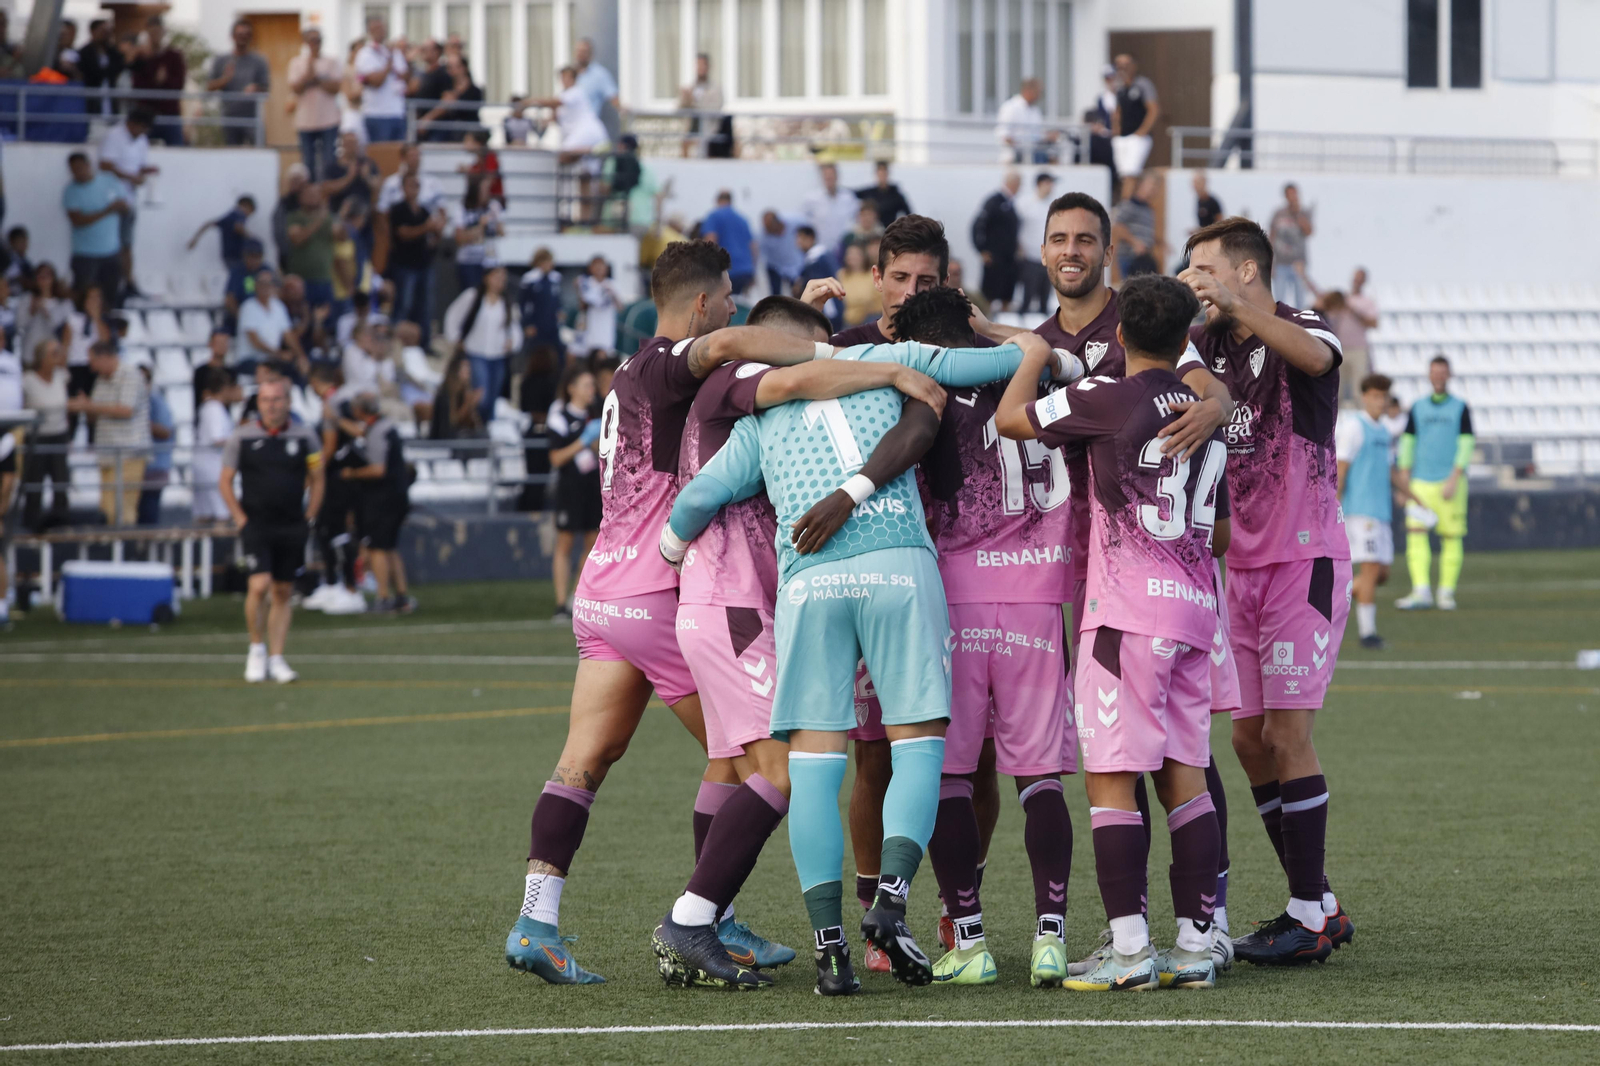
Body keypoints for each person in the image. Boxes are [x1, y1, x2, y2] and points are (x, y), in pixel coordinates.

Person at [656, 292, 1056, 994]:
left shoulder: (760, 411)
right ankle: (893, 900)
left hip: (810, 584)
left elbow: (696, 499)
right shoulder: (888, 358)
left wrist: (668, 549)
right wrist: (1002, 333)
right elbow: (1013, 358)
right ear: (824, 337)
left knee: (813, 770)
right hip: (899, 564)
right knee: (917, 746)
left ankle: (832, 953)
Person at [504, 240, 854, 986]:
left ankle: (536, 920)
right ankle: (707, 920)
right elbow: (729, 344)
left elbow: (738, 349)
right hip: (661, 592)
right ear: (698, 305)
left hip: (601, 594)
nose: (729, 307)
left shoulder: (627, 372)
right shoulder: (670, 363)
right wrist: (825, 344)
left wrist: (795, 312)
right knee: (766, 763)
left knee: (584, 762)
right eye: (725, 296)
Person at [1016, 192, 1237, 978]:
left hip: (1124, 614)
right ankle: (1197, 944)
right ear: (1185, 335)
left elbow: (1013, 421)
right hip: (1194, 610)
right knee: (1186, 772)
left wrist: (1031, 357)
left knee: (1110, 775)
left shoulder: (1106, 396)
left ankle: (1133, 949)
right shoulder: (1199, 405)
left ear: (1122, 331)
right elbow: (1224, 510)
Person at [1179, 215, 1355, 966]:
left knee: (1288, 735)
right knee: (1248, 739)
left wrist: (1236, 305)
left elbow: (1315, 356)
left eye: (1202, 271)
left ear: (1244, 272)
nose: (1193, 284)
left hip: (1302, 560)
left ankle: (1307, 912)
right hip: (1236, 570)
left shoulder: (1299, 324)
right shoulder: (1209, 347)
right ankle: (1317, 903)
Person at [220, 376, 324, 682]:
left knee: (282, 590)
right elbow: (225, 480)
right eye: (265, 400)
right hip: (256, 524)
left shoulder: (305, 436)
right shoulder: (242, 436)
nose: (271, 405)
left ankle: (277, 657)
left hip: (292, 524)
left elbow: (318, 477)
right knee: (259, 585)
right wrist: (239, 517)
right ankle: (256, 649)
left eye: (277, 399)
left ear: (288, 402)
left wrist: (310, 515)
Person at [1395, 355, 1473, 612]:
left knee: (1451, 537)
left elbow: (1466, 444)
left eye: (1442, 372)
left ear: (1449, 375)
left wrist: (1455, 477)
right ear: (1429, 375)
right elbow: (1408, 442)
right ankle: (1421, 591)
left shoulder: (1460, 407)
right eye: (1434, 372)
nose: (1438, 376)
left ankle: (1446, 593)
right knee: (1416, 535)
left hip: (1450, 484)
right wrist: (1405, 477)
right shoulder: (1417, 407)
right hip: (1420, 484)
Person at [1337, 374, 1397, 649]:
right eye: (1374, 396)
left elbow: (1391, 471)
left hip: (1381, 511)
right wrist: (1334, 505)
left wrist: (1415, 498)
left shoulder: (1384, 431)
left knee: (1382, 572)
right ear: (1365, 397)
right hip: (1360, 511)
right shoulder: (1354, 427)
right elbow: (1342, 469)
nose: (1379, 401)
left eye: (1383, 396)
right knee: (1371, 569)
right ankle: (1367, 633)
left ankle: (1335, 599)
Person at [341, 393, 414, 613]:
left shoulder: (377, 432)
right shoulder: (386, 426)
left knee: (377, 548)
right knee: (390, 547)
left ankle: (383, 597)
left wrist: (351, 473)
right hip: (398, 495)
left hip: (383, 498)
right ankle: (402, 597)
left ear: (361, 411)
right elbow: (362, 431)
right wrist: (337, 420)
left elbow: (377, 469)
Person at [70, 341, 149, 527]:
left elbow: (126, 410)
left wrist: (89, 406)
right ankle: (112, 552)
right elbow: (96, 413)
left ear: (104, 357)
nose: (91, 367)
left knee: (122, 509)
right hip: (107, 453)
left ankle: (125, 549)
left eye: (93, 361)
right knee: (107, 509)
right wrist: (86, 407)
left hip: (129, 453)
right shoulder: (101, 379)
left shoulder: (129, 374)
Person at [545, 362, 603, 617]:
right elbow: (556, 458)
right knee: (565, 542)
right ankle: (559, 604)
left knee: (593, 543)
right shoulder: (559, 417)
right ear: (572, 389)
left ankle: (576, 598)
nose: (592, 389)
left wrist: (595, 442)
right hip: (570, 489)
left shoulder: (598, 413)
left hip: (594, 486)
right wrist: (582, 441)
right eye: (586, 385)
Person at [443, 263, 519, 425]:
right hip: (476, 352)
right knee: (481, 396)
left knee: (493, 397)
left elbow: (514, 327)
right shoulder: (473, 296)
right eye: (497, 276)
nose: (500, 280)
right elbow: (452, 315)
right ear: (487, 278)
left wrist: (513, 343)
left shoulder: (506, 301)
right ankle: (474, 424)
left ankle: (487, 429)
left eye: (503, 277)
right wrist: (456, 338)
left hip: (497, 356)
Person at [97, 109, 157, 300]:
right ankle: (108, 285)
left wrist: (146, 172)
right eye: (142, 127)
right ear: (131, 122)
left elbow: (138, 166)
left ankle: (128, 283)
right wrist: (130, 176)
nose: (143, 132)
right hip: (112, 199)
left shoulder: (141, 141)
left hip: (129, 200)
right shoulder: (114, 136)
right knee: (109, 245)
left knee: (127, 245)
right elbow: (105, 165)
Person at [387, 173, 448, 346]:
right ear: (403, 188)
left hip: (424, 264)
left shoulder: (424, 211)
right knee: (403, 305)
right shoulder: (398, 209)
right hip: (404, 266)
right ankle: (396, 345)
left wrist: (438, 229)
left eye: (416, 186)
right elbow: (403, 233)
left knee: (426, 307)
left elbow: (432, 238)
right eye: (410, 185)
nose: (413, 189)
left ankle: (424, 344)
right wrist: (425, 227)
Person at [63, 152, 127, 306]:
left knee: (110, 296)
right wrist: (107, 210)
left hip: (111, 252)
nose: (77, 173)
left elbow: (124, 206)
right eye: (73, 170)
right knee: (83, 298)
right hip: (85, 255)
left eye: (79, 168)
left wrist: (120, 207)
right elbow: (77, 221)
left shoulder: (109, 181)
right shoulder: (70, 191)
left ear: (88, 165)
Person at [21, 339, 70, 531]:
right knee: (34, 482)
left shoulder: (61, 376)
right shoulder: (28, 380)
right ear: (42, 358)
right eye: (53, 353)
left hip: (59, 434)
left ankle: (61, 522)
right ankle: (31, 524)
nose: (58, 356)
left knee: (61, 481)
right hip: (36, 437)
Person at [288, 26, 344, 181]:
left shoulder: (332, 61)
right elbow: (296, 88)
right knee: (308, 163)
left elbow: (336, 88)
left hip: (328, 120)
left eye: (318, 40)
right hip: (305, 121)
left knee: (330, 162)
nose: (315, 44)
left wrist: (316, 79)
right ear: (305, 42)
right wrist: (310, 75)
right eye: (312, 40)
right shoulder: (296, 63)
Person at [206, 18, 270, 146]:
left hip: (252, 119)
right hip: (229, 118)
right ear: (232, 36)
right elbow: (209, 87)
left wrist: (255, 88)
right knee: (232, 157)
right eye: (240, 34)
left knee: (258, 154)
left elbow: (266, 88)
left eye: (247, 35)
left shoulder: (259, 61)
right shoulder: (221, 60)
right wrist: (224, 79)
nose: (243, 38)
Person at [127, 17, 187, 146]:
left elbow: (179, 85)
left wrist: (165, 81)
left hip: (169, 114)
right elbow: (136, 85)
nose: (155, 36)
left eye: (158, 32)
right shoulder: (141, 57)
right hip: (145, 115)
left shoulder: (174, 56)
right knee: (137, 149)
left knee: (177, 149)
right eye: (152, 32)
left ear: (164, 32)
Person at [353, 16, 410, 143]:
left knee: (397, 157)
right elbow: (376, 82)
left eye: (382, 27)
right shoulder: (365, 54)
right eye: (377, 28)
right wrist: (389, 64)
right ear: (369, 31)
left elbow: (405, 76)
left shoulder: (393, 51)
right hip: (377, 114)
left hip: (397, 112)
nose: (381, 31)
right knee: (381, 156)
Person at [971, 170, 1022, 313]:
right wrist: (981, 250)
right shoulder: (994, 202)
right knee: (989, 296)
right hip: (994, 259)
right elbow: (977, 226)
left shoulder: (1011, 204)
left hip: (1009, 260)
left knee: (1007, 295)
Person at [1111, 53, 1160, 196]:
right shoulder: (1120, 87)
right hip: (1122, 137)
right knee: (1124, 175)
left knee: (1131, 174)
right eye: (1119, 66)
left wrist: (1142, 131)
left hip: (1137, 137)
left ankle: (1126, 206)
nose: (1122, 69)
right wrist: (1116, 129)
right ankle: (1129, 202)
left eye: (1125, 65)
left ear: (1133, 66)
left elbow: (1153, 109)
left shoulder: (1142, 85)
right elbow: (1118, 111)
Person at [191, 367, 235, 525]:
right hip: (213, 468)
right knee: (222, 514)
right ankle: (218, 549)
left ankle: (200, 549)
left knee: (204, 513)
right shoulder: (214, 409)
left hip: (204, 466)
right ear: (224, 388)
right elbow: (218, 439)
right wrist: (238, 441)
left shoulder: (207, 407)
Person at [237, 271, 302, 377]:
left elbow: (289, 335)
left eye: (269, 283)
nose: (265, 287)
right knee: (272, 372)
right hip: (250, 360)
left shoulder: (279, 306)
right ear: (256, 286)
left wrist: (301, 357)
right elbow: (255, 341)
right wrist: (279, 354)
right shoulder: (248, 307)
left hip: (273, 359)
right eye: (262, 283)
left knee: (298, 369)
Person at [285, 184, 337, 312]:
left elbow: (341, 236)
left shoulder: (328, 217)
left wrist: (343, 215)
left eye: (316, 194)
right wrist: (319, 220)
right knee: (303, 315)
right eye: (309, 194)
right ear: (300, 198)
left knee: (326, 319)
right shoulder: (294, 217)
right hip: (301, 281)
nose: (313, 197)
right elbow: (297, 239)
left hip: (324, 278)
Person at [15, 264, 72, 371]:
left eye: (47, 276)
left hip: (53, 356)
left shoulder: (63, 302)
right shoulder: (27, 298)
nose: (43, 280)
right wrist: (31, 311)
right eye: (40, 276)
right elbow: (19, 325)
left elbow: (64, 329)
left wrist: (46, 311)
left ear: (53, 278)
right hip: (30, 354)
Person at [452, 175, 502, 292]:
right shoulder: (462, 208)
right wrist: (480, 226)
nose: (487, 193)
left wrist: (496, 220)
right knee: (471, 298)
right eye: (484, 189)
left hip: (490, 262)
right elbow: (459, 239)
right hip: (469, 262)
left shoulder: (493, 206)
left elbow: (502, 232)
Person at [138, 363, 174, 524]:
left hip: (154, 467)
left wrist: (140, 422)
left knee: (149, 513)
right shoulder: (142, 402)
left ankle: (145, 548)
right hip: (140, 467)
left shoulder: (155, 401)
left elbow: (166, 432)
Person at [700, 192, 755, 295]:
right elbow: (753, 247)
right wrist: (753, 271)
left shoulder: (714, 216)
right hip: (746, 270)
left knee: (725, 305)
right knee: (738, 303)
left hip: (727, 271)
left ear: (717, 201)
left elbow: (710, 241)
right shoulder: (743, 219)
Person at [1269, 183, 1314, 309]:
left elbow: (1309, 231)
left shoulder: (1304, 212)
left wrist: (1298, 214)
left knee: (1300, 300)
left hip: (1298, 264)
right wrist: (1271, 263)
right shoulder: (1278, 214)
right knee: (1279, 301)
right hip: (1281, 263)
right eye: (1290, 194)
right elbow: (1271, 237)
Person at [1015, 172, 1055, 313]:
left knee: (1045, 296)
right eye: (1049, 183)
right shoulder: (1025, 203)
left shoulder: (1051, 206)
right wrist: (1019, 248)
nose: (1051, 187)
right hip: (1030, 256)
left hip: (1048, 258)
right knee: (1027, 295)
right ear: (1040, 184)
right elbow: (1015, 227)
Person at [187, 195, 256, 275]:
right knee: (246, 277)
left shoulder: (229, 216)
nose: (248, 215)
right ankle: (247, 288)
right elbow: (238, 226)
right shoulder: (239, 214)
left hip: (227, 257)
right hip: (237, 256)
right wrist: (252, 239)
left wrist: (195, 239)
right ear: (246, 206)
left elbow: (208, 224)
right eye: (250, 212)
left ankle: (244, 287)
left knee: (238, 277)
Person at [518, 248, 565, 364]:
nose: (547, 265)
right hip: (536, 326)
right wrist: (526, 324)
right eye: (544, 261)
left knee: (558, 356)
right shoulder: (529, 279)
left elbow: (557, 300)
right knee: (536, 356)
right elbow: (523, 304)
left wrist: (560, 312)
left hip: (552, 325)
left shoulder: (555, 278)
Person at [678, 52, 729, 157]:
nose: (700, 68)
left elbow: (716, 108)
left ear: (708, 67)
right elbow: (680, 109)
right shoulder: (692, 87)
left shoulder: (715, 88)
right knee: (685, 145)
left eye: (703, 65)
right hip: (692, 128)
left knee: (700, 145)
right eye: (698, 65)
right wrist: (685, 99)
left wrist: (695, 102)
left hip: (709, 129)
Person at [996, 78, 1058, 163]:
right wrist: (1021, 149)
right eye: (1038, 92)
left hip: (1034, 157)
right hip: (1013, 158)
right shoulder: (1010, 107)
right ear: (1028, 90)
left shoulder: (1035, 110)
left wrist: (1048, 137)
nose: (1040, 96)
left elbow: (1037, 135)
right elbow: (1004, 134)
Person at [801, 164, 858, 257]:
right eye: (826, 176)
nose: (829, 178)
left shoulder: (848, 197)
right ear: (822, 177)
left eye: (831, 175)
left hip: (843, 249)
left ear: (837, 176)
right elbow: (804, 223)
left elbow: (855, 221)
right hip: (820, 250)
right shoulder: (811, 199)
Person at [1111, 174, 1161, 279]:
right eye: (1152, 185)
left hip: (1144, 258)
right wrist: (1135, 242)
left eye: (1156, 186)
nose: (1154, 189)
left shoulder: (1148, 209)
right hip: (1130, 258)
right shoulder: (1129, 205)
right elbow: (1117, 226)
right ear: (1141, 185)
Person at [792, 226, 841, 330]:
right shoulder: (819, 255)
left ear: (810, 238)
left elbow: (818, 286)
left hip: (827, 308)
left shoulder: (816, 259)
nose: (798, 243)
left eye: (800, 238)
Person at [376, 143, 444, 214]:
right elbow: (382, 210)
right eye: (411, 156)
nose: (415, 159)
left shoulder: (433, 183)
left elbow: (442, 210)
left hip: (427, 223)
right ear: (403, 158)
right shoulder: (390, 183)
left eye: (417, 155)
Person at [572, 37, 620, 131]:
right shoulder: (571, 73)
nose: (580, 54)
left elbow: (613, 97)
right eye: (578, 51)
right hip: (570, 126)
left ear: (590, 54)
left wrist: (623, 109)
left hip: (587, 127)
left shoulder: (599, 74)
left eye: (584, 51)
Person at [78, 19, 125, 115]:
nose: (105, 34)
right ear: (93, 31)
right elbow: (91, 73)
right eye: (102, 31)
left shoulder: (113, 52)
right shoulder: (85, 52)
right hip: (92, 101)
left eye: (108, 31)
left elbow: (119, 68)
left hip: (111, 100)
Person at [575, 257, 620, 356]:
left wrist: (613, 294)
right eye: (596, 266)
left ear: (606, 268)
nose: (599, 269)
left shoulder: (612, 284)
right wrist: (578, 290)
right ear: (591, 268)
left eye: (601, 266)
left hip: (606, 329)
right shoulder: (586, 284)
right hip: (590, 329)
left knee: (604, 357)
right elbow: (582, 307)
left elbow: (621, 308)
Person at [758, 211, 804, 298]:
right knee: (776, 296)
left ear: (778, 223)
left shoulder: (795, 222)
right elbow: (761, 256)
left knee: (800, 293)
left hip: (796, 265)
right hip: (776, 267)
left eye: (771, 229)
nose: (770, 232)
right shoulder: (763, 236)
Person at [834, 245, 879, 329]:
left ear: (863, 256)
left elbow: (870, 300)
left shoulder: (872, 275)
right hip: (846, 321)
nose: (852, 257)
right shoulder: (841, 275)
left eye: (856, 254)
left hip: (868, 320)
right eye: (849, 254)